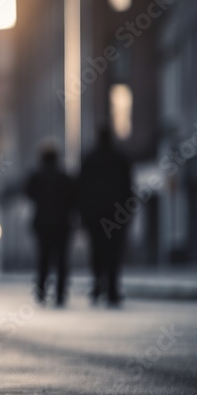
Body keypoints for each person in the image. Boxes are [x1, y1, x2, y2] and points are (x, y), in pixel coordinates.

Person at [79, 125, 133, 307]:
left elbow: (81, 190)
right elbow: (128, 188)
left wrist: (83, 215)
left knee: (96, 251)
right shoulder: (120, 159)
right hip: (116, 215)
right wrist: (127, 213)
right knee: (114, 252)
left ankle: (97, 284)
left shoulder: (89, 160)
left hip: (94, 216)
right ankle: (112, 289)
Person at [23, 142, 77, 306]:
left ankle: (41, 291)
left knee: (43, 259)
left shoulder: (36, 177)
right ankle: (60, 294)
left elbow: (28, 193)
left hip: (43, 225)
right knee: (61, 260)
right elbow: (73, 199)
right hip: (62, 225)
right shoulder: (64, 178)